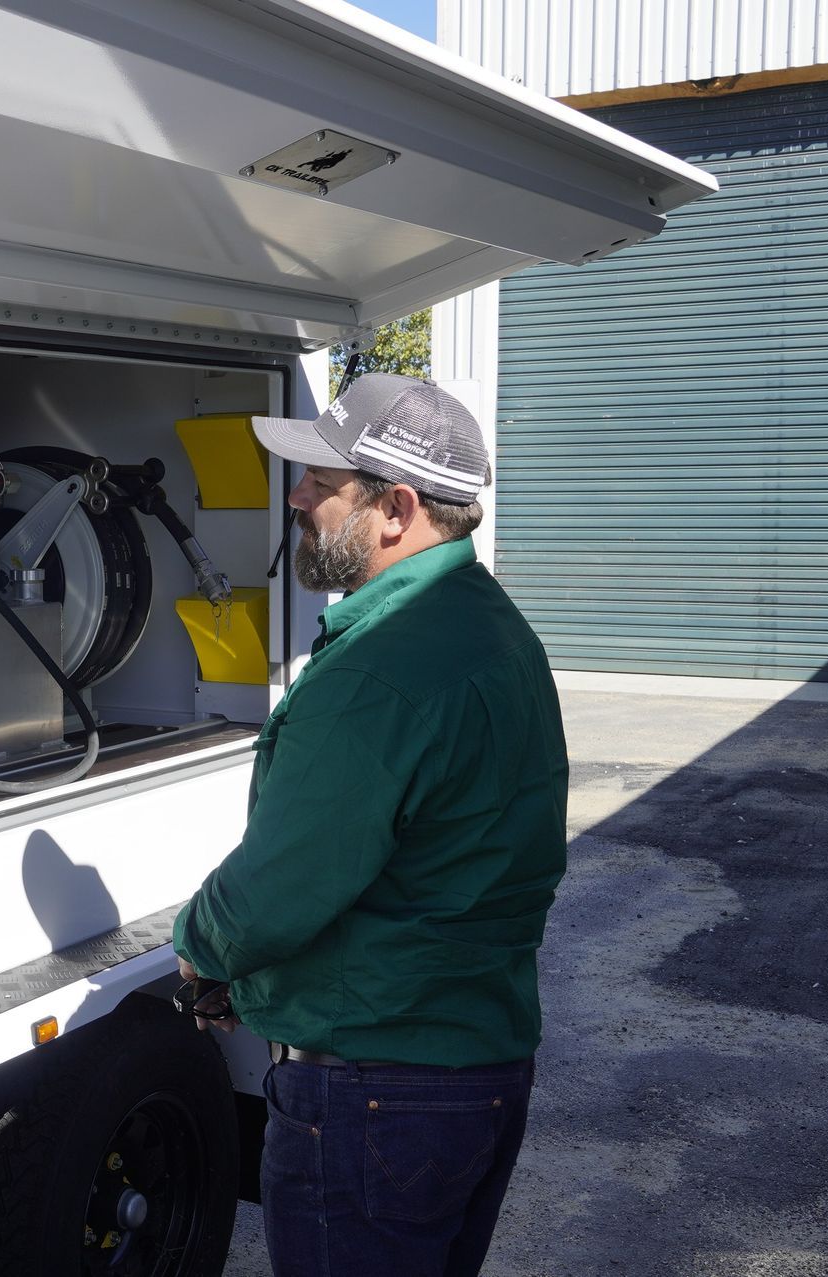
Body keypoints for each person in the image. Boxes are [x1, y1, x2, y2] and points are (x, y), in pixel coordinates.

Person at [172, 373, 569, 1277]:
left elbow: (282, 884)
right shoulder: (494, 629)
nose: (299, 498)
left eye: (322, 482)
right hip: (477, 1072)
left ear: (396, 508)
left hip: (376, 1094)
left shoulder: (380, 673)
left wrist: (200, 948)